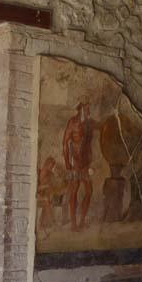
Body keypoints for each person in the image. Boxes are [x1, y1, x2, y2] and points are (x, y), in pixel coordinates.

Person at [63, 99, 94, 231]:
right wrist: (67, 163)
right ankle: (74, 224)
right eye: (87, 108)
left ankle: (82, 221)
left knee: (89, 191)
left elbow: (88, 143)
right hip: (75, 162)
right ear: (81, 108)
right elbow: (65, 143)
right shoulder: (72, 122)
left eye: (89, 108)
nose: (89, 111)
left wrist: (90, 160)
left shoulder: (88, 123)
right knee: (74, 191)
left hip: (85, 163)